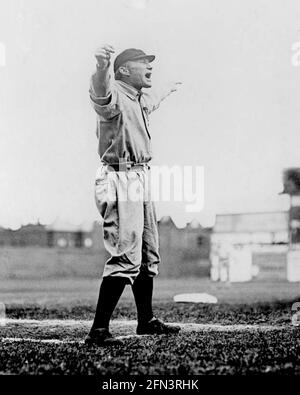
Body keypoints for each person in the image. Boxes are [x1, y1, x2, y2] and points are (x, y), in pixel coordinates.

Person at [85, 45, 182, 346]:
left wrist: (169, 87)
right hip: (119, 176)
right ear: (124, 70)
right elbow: (100, 93)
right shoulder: (114, 95)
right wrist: (102, 68)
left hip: (139, 176)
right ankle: (99, 329)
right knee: (126, 254)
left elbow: (155, 97)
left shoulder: (138, 99)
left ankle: (146, 321)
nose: (149, 66)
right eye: (143, 63)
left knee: (148, 254)